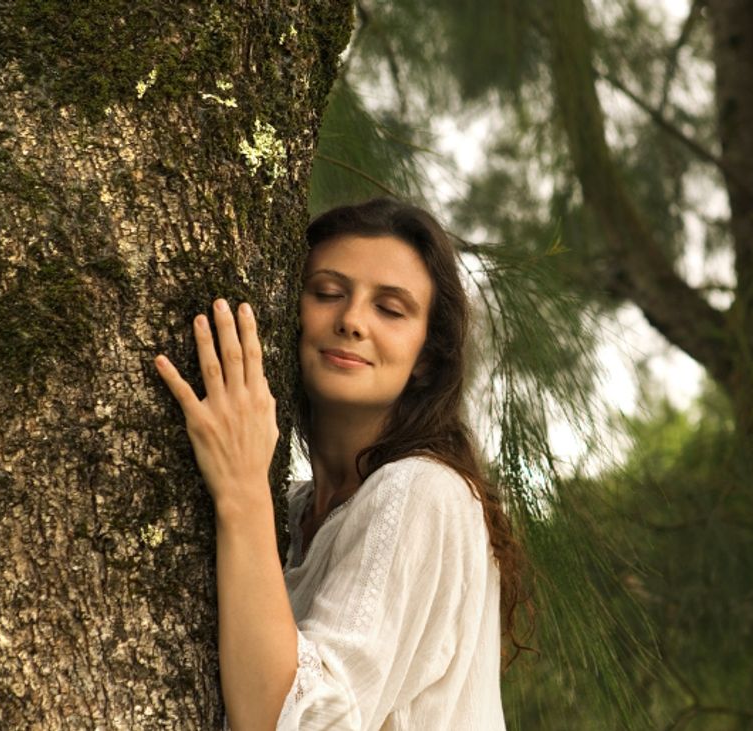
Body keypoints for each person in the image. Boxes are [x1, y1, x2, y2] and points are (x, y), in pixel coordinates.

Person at [153, 198, 527, 730]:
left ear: (425, 358)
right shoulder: (297, 511)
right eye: (328, 293)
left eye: (391, 309)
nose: (351, 320)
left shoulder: (425, 490)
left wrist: (242, 490)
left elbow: (297, 723)